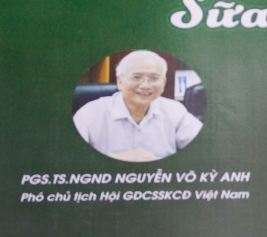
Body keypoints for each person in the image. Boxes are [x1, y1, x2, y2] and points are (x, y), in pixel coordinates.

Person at [73, 50, 203, 161]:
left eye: (154, 78)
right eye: (136, 77)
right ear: (120, 82)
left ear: (163, 83)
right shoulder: (90, 113)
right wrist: (114, 160)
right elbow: (69, 158)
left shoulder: (175, 111)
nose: (145, 85)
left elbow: (204, 148)